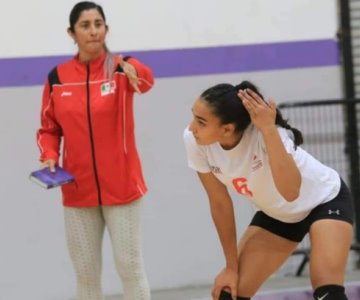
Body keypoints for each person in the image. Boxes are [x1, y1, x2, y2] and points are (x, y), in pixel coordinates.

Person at [183, 81, 354, 300]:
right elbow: (219, 203)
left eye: (201, 122)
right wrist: (230, 268)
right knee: (228, 295)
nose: (191, 127)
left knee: (328, 294)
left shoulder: (270, 135)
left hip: (324, 202)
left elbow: (291, 193)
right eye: (193, 117)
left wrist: (268, 129)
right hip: (278, 215)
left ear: (227, 129)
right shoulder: (194, 141)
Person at [36, 2, 154, 300]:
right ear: (72, 33)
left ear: (106, 29)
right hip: (77, 191)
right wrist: (49, 155)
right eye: (85, 25)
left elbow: (146, 81)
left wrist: (131, 67)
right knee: (86, 275)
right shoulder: (57, 77)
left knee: (130, 267)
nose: (93, 31)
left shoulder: (120, 68)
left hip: (123, 187)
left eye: (98, 24)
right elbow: (49, 128)